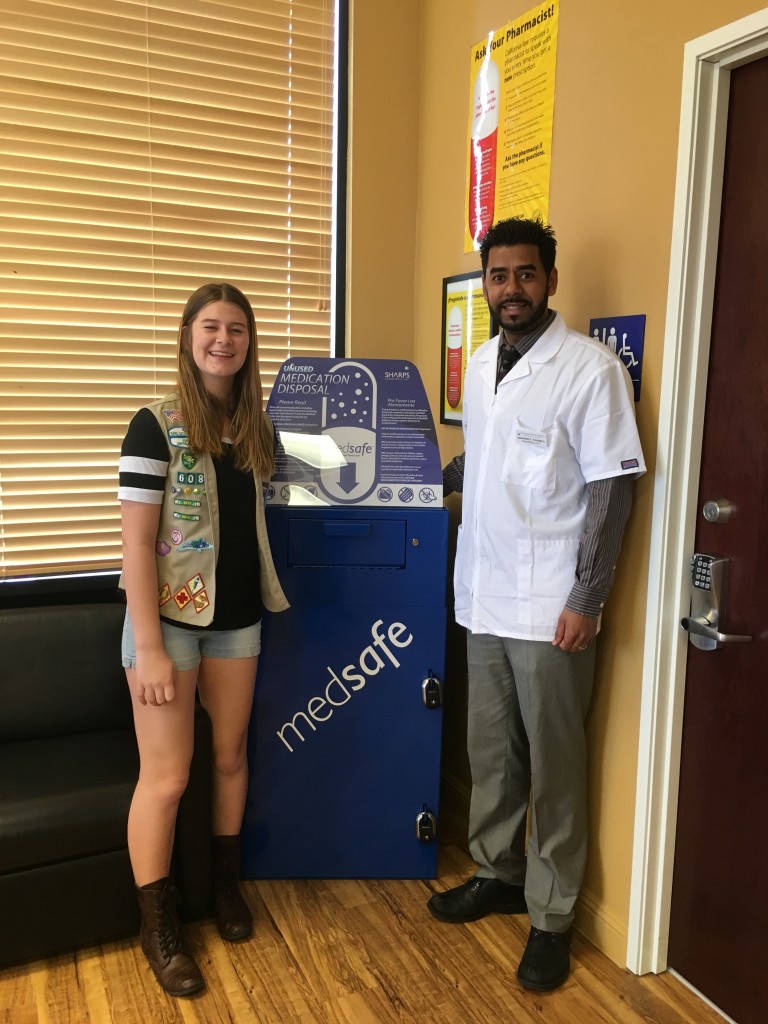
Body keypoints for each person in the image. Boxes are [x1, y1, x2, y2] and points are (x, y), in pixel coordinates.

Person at [428, 218, 645, 992]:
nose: (510, 289)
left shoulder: (588, 371)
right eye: (498, 275)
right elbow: (483, 466)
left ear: (551, 281)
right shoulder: (482, 364)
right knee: (492, 754)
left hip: (554, 606)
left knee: (555, 765)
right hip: (483, 598)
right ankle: (499, 871)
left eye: (525, 274)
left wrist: (587, 597)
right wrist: (430, 484)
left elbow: (613, 491)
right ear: (484, 284)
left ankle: (551, 916)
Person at [118, 282, 288, 997]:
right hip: (167, 628)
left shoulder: (254, 427)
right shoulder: (155, 425)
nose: (225, 340)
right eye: (211, 327)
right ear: (189, 336)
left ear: (250, 343)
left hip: (237, 621)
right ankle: (160, 931)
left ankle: (225, 890)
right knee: (168, 777)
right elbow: (135, 547)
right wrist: (149, 646)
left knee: (228, 760)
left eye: (238, 329)